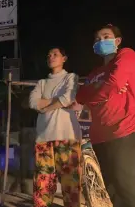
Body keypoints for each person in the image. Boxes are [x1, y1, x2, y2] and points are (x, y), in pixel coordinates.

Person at [76, 24, 135, 207]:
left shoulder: (126, 54)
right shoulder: (94, 73)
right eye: (97, 39)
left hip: (123, 131)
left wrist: (96, 93)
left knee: (127, 186)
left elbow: (115, 82)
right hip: (99, 138)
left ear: (117, 41)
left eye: (106, 36)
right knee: (110, 189)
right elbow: (80, 97)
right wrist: (103, 90)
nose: (101, 41)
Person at [29, 47, 82, 207]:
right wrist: (58, 102)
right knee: (42, 185)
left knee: (70, 185)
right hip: (44, 137)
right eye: (49, 55)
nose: (51, 57)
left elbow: (68, 98)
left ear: (64, 58)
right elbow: (33, 102)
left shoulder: (70, 77)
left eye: (55, 54)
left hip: (68, 136)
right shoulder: (42, 82)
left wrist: (44, 106)